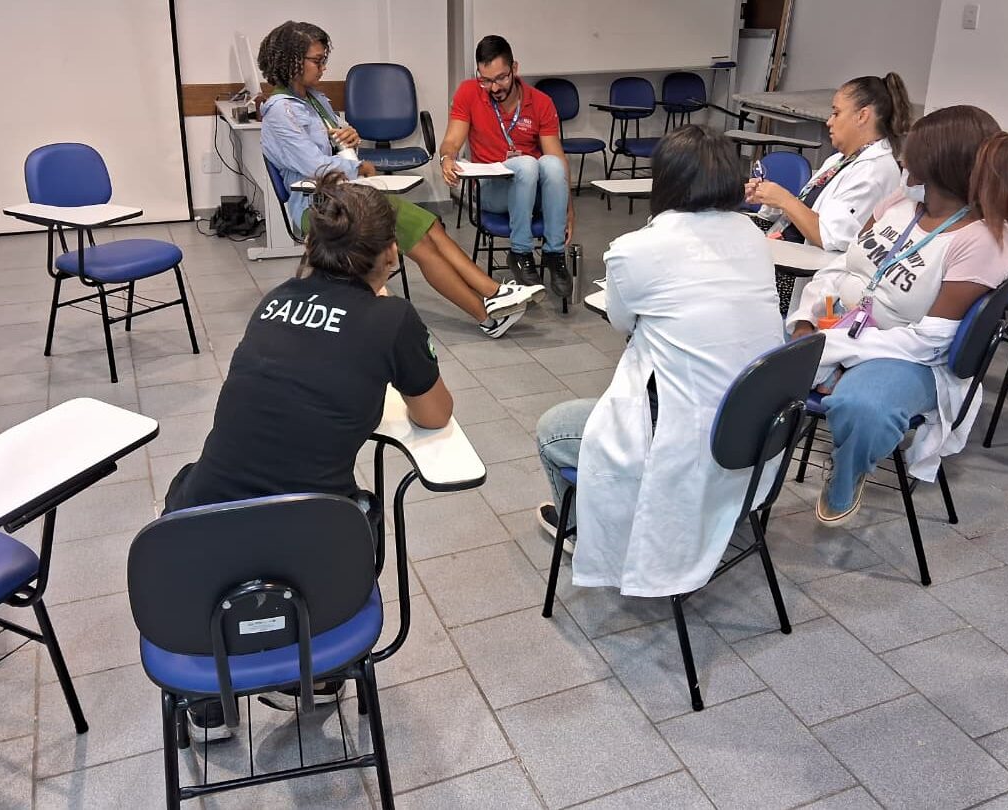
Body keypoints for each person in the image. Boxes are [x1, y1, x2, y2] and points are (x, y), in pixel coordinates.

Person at [163, 172, 453, 739]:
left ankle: (209, 700)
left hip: (201, 554)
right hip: (317, 562)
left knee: (189, 482)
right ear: (390, 254)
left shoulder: (273, 301)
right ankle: (318, 673)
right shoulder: (391, 319)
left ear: (311, 247)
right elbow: (435, 414)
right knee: (349, 507)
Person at [533, 125, 785, 598]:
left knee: (553, 428)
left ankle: (590, 533)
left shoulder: (636, 250)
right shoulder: (752, 236)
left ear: (664, 181)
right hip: (753, 433)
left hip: (688, 437)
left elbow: (621, 320)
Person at [785, 105, 1008, 525]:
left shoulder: (984, 240)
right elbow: (845, 265)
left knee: (863, 407)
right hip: (843, 326)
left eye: (912, 150)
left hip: (910, 357)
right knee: (747, 352)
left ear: (939, 163)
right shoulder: (902, 202)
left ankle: (848, 471)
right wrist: (808, 320)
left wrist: (832, 351)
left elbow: (929, 339)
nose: (901, 156)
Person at [257, 21, 543, 340]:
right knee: (419, 241)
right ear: (293, 61)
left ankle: (494, 295)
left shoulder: (314, 100)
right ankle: (488, 312)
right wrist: (359, 166)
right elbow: (317, 167)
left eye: (324, 59)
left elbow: (336, 143)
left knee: (430, 224)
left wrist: (349, 138)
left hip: (347, 195)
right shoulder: (281, 113)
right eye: (317, 60)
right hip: (319, 208)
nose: (323, 67)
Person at [746, 73, 912, 315]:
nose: (829, 122)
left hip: (806, 275)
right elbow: (808, 208)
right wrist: (769, 198)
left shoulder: (874, 171)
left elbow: (826, 235)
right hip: (787, 250)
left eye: (836, 113)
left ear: (862, 116)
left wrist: (784, 199)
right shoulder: (840, 160)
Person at [439, 35, 575, 299]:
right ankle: (521, 252)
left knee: (552, 165)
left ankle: (554, 254)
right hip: (493, 190)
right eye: (485, 80)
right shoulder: (469, 92)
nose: (493, 88)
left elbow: (557, 158)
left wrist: (569, 210)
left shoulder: (541, 102)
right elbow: (452, 140)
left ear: (514, 69)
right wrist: (447, 159)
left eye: (500, 78)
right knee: (525, 164)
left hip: (532, 190)